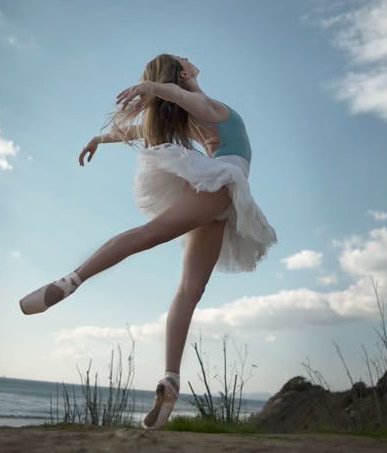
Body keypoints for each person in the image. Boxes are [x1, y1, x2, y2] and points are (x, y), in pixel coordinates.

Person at [19, 53, 277, 429]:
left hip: (220, 194)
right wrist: (153, 88)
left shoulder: (192, 113)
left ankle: (170, 380)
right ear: (182, 73)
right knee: (151, 237)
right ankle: (69, 281)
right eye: (184, 60)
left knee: (189, 291)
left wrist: (100, 137)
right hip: (221, 184)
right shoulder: (209, 108)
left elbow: (140, 129)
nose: (190, 59)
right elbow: (186, 99)